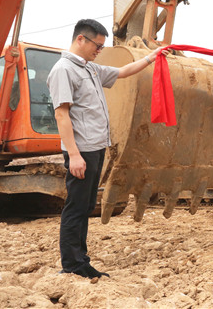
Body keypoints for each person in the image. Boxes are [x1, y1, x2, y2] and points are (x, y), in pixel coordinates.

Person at [48, 19, 166, 279]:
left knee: (86, 204)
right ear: (81, 39)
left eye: (101, 47)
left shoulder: (88, 69)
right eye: (97, 46)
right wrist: (75, 155)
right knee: (76, 206)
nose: (99, 51)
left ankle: (80, 260)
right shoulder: (64, 70)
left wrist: (152, 58)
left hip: (95, 147)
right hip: (82, 151)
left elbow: (122, 72)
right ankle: (72, 264)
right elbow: (61, 115)